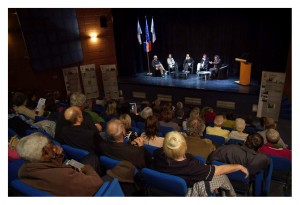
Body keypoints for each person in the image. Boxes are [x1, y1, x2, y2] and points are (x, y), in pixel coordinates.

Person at [152, 131, 249, 196]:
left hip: (164, 191)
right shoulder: (191, 166)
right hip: (186, 193)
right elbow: (218, 170)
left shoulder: (157, 154)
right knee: (222, 177)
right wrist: (238, 166)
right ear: (185, 147)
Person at [16, 133, 104, 196]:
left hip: (63, 184)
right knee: (93, 159)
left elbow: (53, 166)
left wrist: (55, 155)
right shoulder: (63, 175)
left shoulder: (23, 170)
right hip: (91, 190)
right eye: (51, 144)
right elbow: (97, 183)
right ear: (46, 153)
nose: (54, 146)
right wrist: (87, 168)